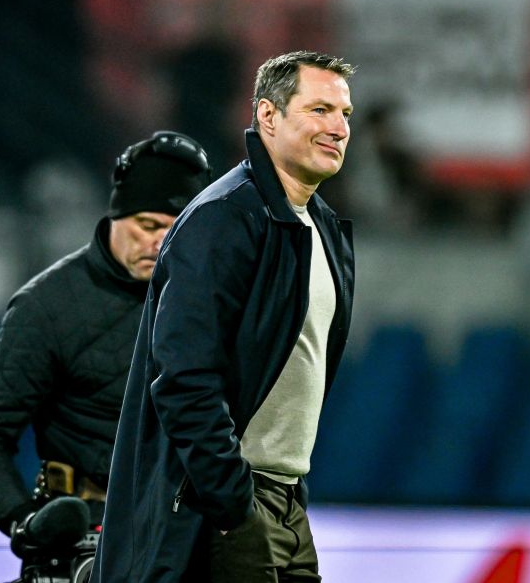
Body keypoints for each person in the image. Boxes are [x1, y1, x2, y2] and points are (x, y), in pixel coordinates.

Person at [93, 50, 356, 582]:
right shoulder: (223, 219)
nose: (338, 128)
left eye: (345, 114)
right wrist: (234, 504)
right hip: (220, 506)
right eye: (320, 109)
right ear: (267, 116)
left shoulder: (322, 227)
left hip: (285, 500)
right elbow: (184, 380)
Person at [0, 132, 212, 553]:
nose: (159, 242)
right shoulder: (47, 306)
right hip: (81, 538)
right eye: (147, 225)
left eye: (176, 229)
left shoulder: (216, 302)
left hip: (191, 532)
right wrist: (25, 523)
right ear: (115, 216)